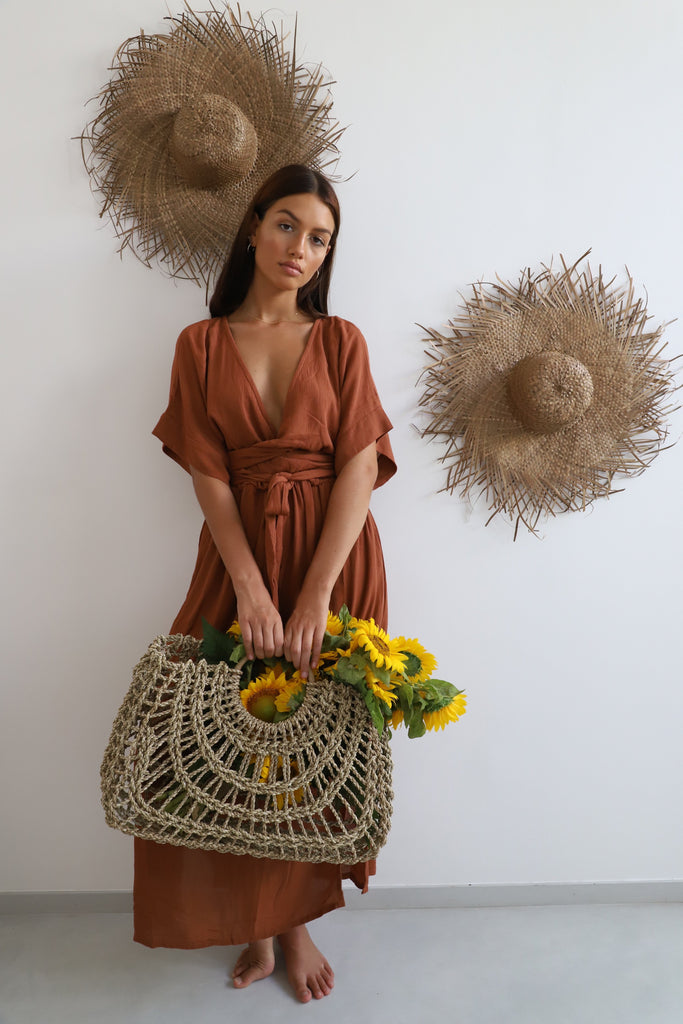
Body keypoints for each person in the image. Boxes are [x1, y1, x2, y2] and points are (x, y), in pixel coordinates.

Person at [133, 164, 396, 1002]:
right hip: (239, 550)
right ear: (252, 228)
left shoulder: (342, 339)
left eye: (319, 237)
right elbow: (208, 476)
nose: (301, 249)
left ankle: (292, 920)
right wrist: (249, 589)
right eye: (287, 225)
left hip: (335, 554)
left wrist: (315, 594)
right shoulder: (199, 344)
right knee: (224, 741)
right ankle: (259, 916)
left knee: (317, 740)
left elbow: (358, 466)